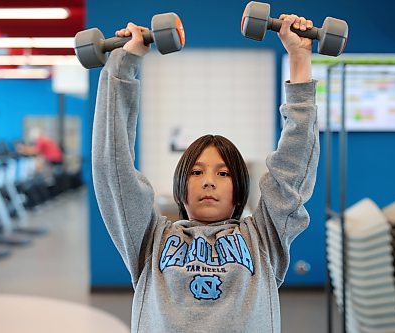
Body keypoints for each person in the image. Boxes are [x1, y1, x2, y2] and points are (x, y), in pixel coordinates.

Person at [92, 14, 319, 333]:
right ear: (181, 187)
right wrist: (123, 63)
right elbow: (111, 167)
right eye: (197, 172)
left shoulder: (264, 238)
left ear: (239, 190)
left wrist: (299, 57)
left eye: (224, 174)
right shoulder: (150, 238)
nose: (209, 180)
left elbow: (293, 166)